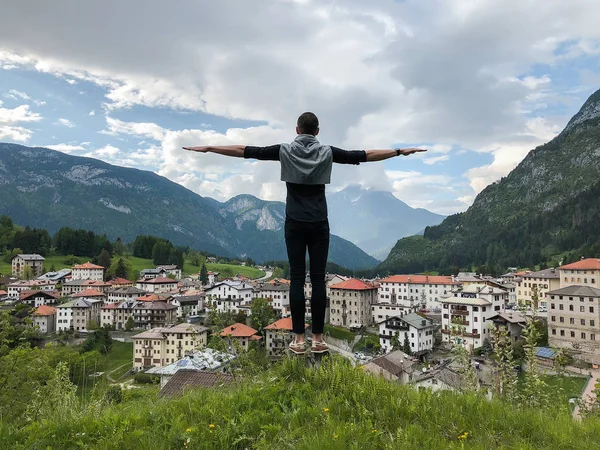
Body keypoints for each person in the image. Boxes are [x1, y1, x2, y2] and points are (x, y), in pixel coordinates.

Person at [183, 112, 426, 355]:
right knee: (319, 280)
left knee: (297, 280)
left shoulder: (285, 150)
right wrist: (398, 151)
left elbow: (246, 150)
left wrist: (210, 148)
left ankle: (299, 339)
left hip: (294, 223)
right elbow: (363, 155)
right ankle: (318, 339)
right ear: (317, 131)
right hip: (319, 223)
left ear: (297, 130)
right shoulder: (327, 152)